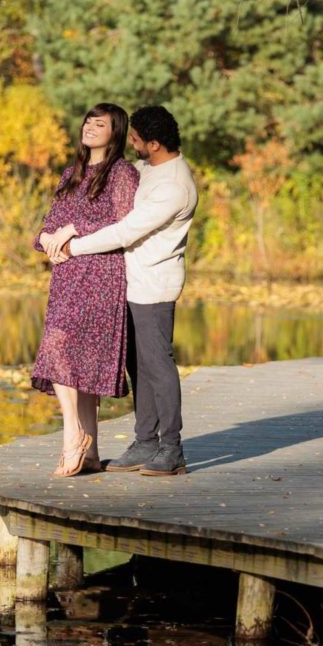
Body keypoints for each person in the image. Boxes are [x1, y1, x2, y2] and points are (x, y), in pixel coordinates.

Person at [46, 105, 198, 478]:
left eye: (135, 140)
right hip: (128, 282)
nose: (131, 144)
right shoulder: (149, 169)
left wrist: (71, 245)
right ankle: (145, 440)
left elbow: (125, 230)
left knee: (158, 366)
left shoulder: (175, 186)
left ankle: (172, 448)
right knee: (137, 367)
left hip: (154, 286)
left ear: (155, 144)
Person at [32, 105, 140, 477]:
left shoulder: (122, 173)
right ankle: (91, 454)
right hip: (66, 276)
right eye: (88, 122)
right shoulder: (71, 173)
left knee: (67, 352)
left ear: (116, 132)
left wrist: (74, 228)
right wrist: (46, 236)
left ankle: (73, 436)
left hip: (101, 274)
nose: (90, 128)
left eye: (101, 124)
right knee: (67, 356)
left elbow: (124, 222)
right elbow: (51, 222)